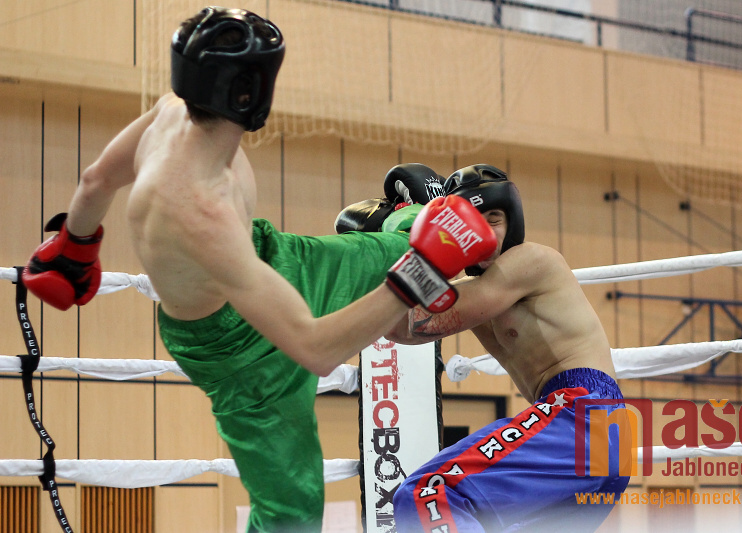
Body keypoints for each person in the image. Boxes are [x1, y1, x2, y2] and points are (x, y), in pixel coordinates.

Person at [20, 7, 497, 532]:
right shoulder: (200, 215)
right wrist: (420, 274)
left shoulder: (171, 112)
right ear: (252, 93)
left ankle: (413, 220)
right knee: (291, 514)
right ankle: (422, 253)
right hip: (241, 354)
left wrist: (73, 248)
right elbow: (315, 351)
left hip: (266, 258)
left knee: (393, 245)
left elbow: (95, 180)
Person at [387, 164, 630, 533]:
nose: (483, 231)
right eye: (470, 221)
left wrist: (404, 244)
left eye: (494, 219)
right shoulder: (474, 290)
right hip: (579, 430)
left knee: (427, 494)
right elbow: (404, 329)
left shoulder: (531, 261)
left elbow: (425, 320)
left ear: (513, 221)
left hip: (581, 414)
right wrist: (381, 249)